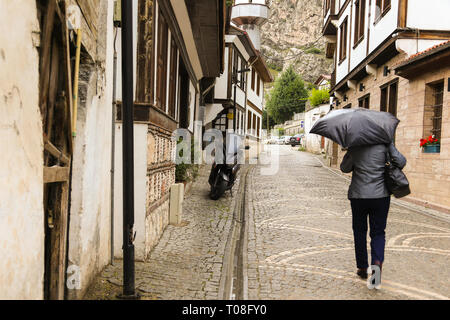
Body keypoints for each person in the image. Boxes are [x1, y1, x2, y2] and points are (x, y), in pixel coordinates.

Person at [340, 143, 406, 287]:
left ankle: (362, 267)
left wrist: (351, 152)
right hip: (380, 196)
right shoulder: (385, 144)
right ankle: (376, 264)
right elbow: (401, 162)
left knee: (359, 231)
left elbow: (344, 168)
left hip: (358, 196)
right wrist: (390, 147)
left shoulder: (355, 145)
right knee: (378, 233)